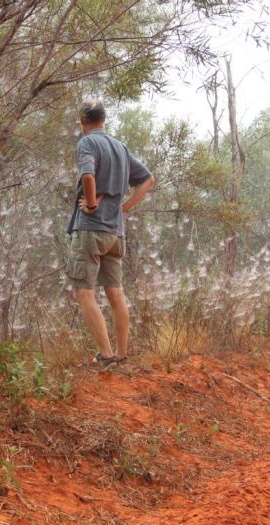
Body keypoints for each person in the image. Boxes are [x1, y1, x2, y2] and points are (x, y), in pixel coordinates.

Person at [66, 98, 155, 367]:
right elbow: (148, 179)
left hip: (91, 230)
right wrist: (124, 207)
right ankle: (122, 353)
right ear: (103, 119)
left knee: (84, 292)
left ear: (83, 121)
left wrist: (91, 204)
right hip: (115, 234)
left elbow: (88, 176)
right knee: (115, 292)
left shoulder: (87, 143)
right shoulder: (120, 147)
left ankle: (106, 356)